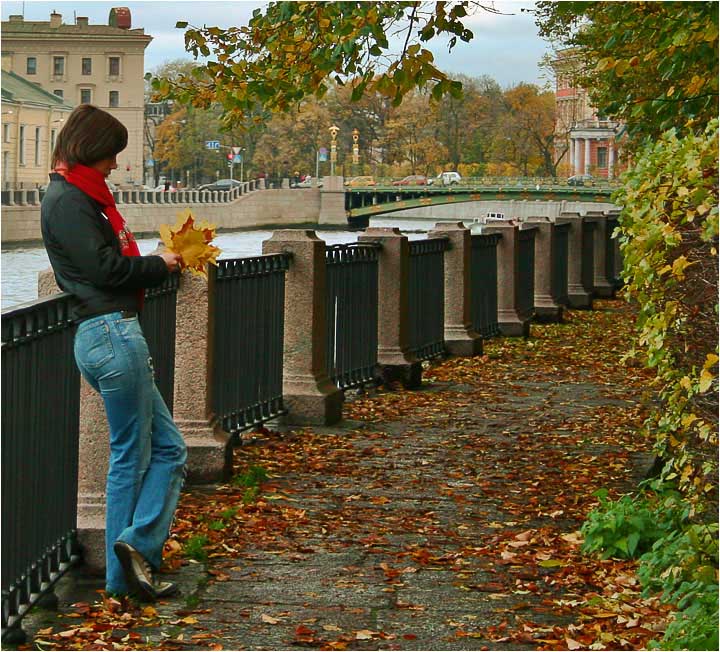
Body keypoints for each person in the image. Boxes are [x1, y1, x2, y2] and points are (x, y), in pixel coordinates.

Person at [40, 104, 187, 602]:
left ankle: (132, 561)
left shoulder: (78, 196)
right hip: (110, 333)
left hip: (108, 333)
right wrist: (159, 265)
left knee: (169, 449)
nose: (115, 166)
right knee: (131, 457)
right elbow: (105, 270)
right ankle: (129, 558)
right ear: (91, 149)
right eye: (110, 155)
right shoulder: (69, 201)